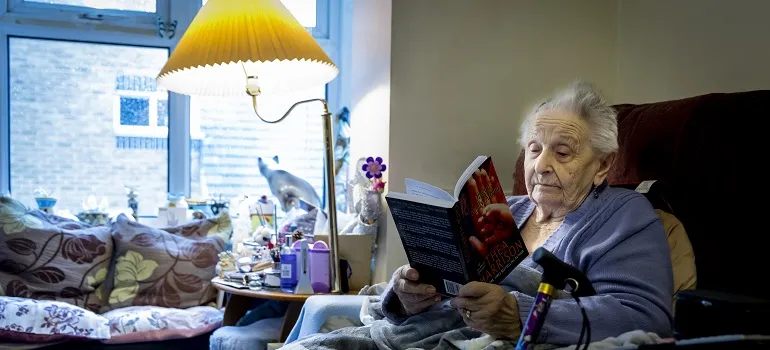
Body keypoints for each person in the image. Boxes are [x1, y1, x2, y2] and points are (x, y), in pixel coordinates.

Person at [283, 82, 673, 349]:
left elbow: (645, 316)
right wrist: (406, 296)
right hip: (411, 335)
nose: (541, 166)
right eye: (534, 149)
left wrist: (517, 313)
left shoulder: (623, 217)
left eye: (563, 152)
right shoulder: (506, 210)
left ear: (603, 165)